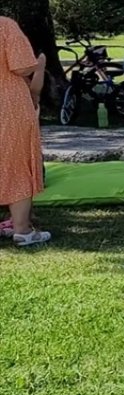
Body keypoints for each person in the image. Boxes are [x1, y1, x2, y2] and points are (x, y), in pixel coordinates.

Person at [0, 17, 51, 246]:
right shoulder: (5, 25)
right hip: (8, 103)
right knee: (16, 162)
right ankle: (22, 229)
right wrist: (38, 63)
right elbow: (21, 65)